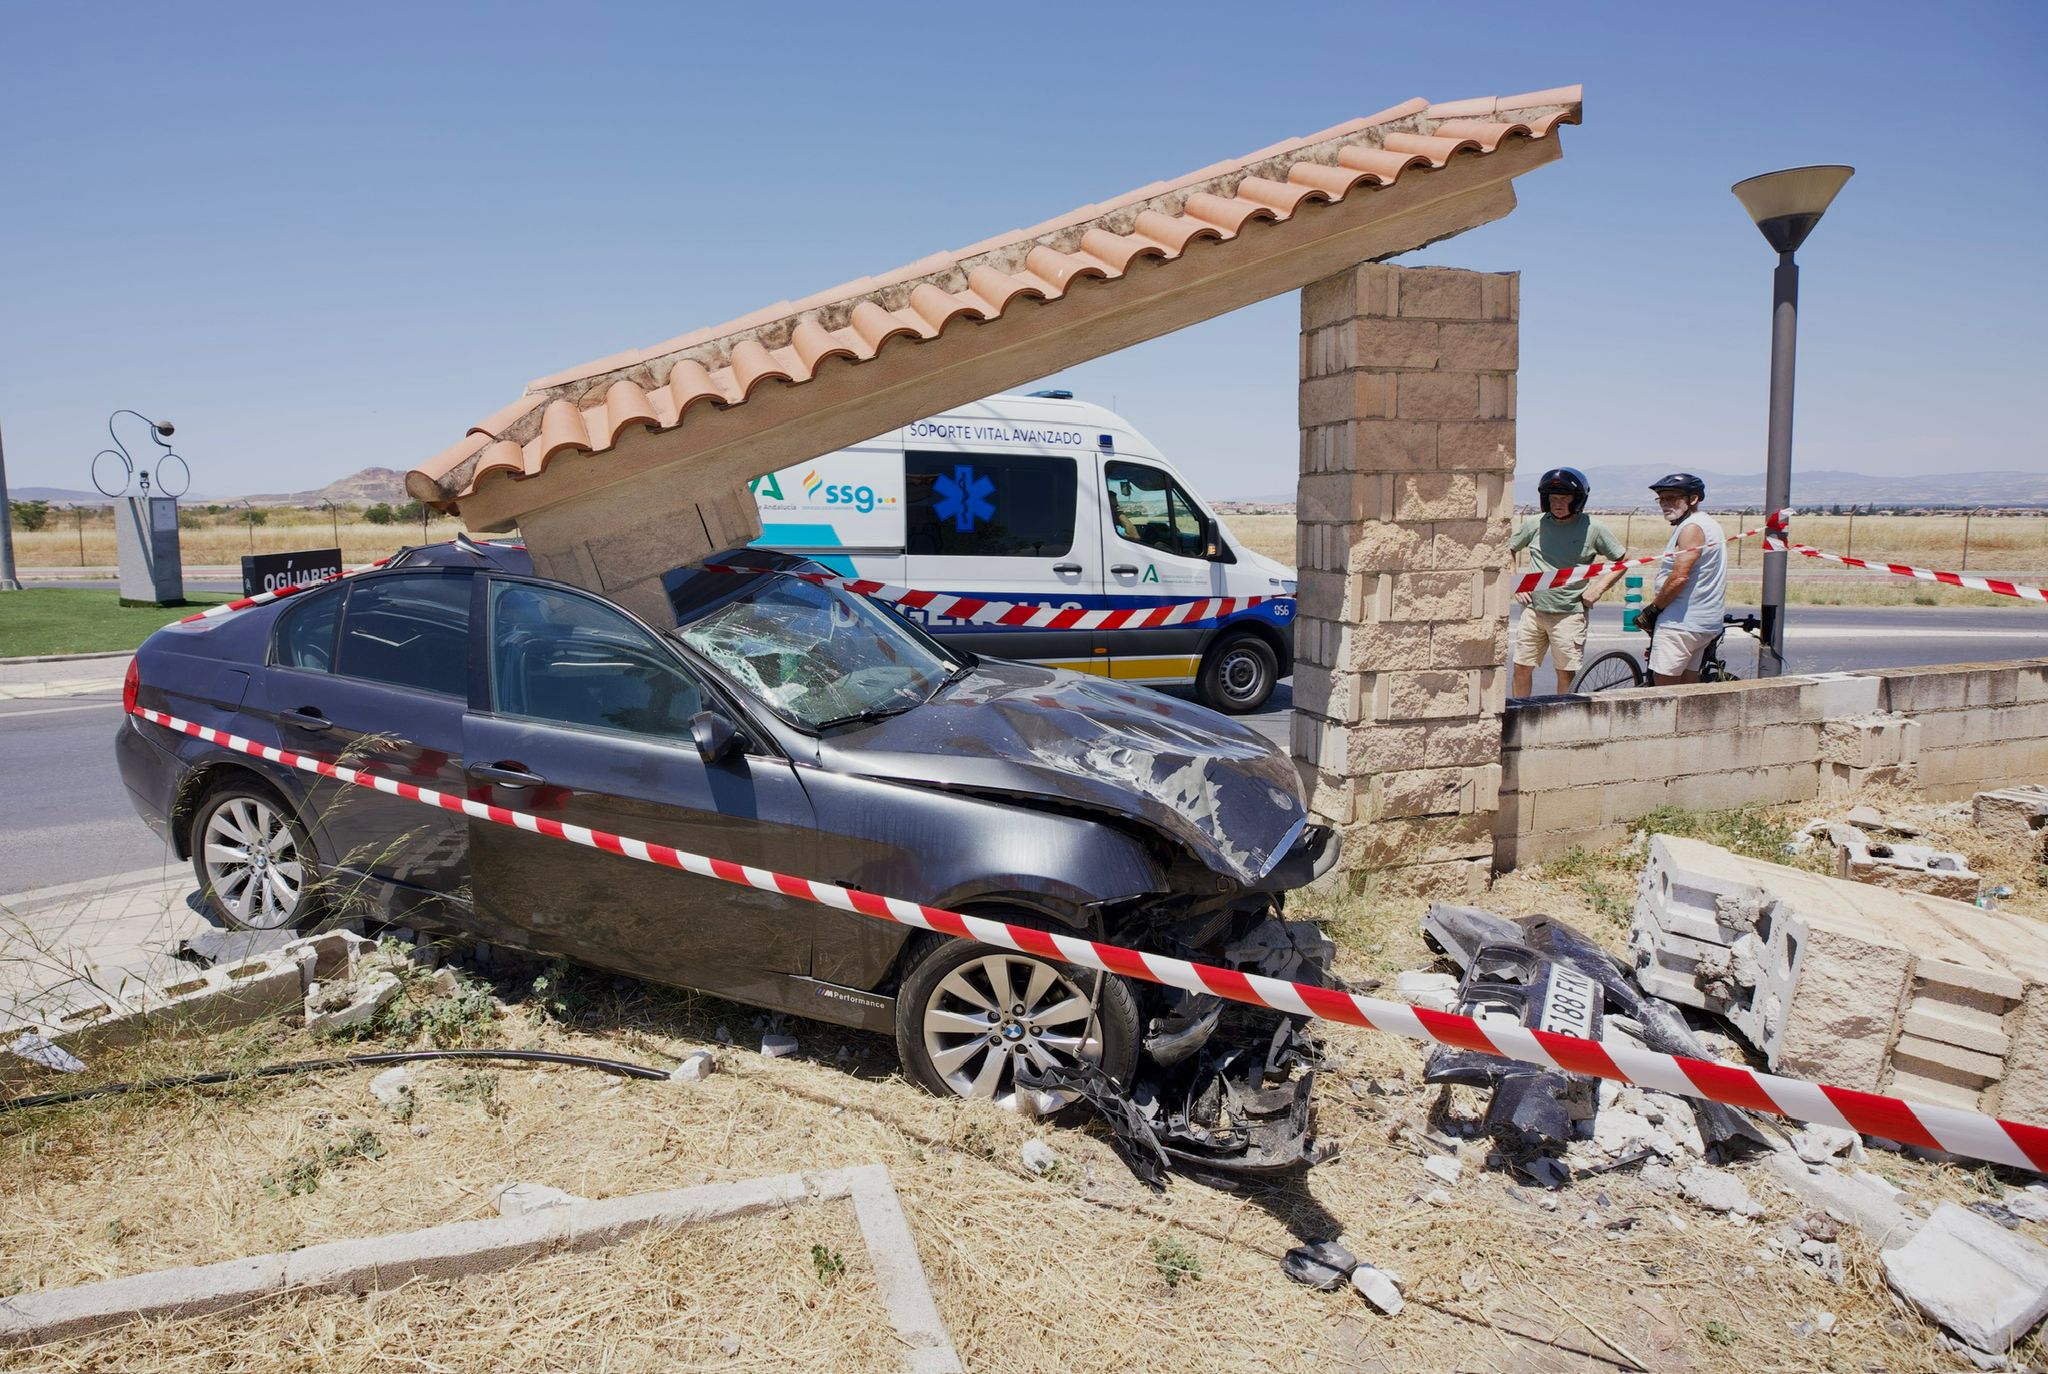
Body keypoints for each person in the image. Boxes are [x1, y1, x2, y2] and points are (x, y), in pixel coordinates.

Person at [1508, 467, 1627, 696]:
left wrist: (1598, 588)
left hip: (1569, 614)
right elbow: (1509, 549)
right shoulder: (1535, 523)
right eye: (1553, 498)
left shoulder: (1594, 528)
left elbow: (1621, 560)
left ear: (1578, 500)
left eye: (1564, 498)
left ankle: (1561, 721)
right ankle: (1520, 715)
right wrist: (1517, 582)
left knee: (1565, 673)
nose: (1558, 503)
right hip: (1533, 611)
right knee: (1521, 667)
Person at [1639, 472, 1727, 684]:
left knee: (1665, 693)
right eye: (1662, 499)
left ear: (1693, 499)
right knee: (1688, 688)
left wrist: (1652, 610)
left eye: (1672, 498)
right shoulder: (1709, 524)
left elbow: (1679, 577)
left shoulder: (1691, 528)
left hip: (1679, 624)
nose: (1665, 504)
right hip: (1703, 623)